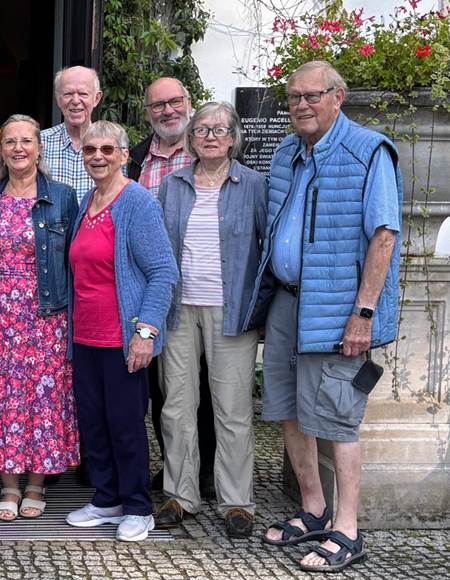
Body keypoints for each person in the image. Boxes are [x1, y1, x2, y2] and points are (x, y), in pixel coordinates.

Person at [250, 61, 401, 573]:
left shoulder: (368, 151)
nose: (301, 105)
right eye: (293, 97)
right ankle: (313, 509)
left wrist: (363, 313)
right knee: (289, 408)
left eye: (313, 95)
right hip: (288, 302)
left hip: (338, 309)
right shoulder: (288, 151)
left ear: (339, 97)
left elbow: (384, 235)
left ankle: (348, 528)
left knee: (338, 416)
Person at [154, 102, 266, 538]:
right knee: (177, 406)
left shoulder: (255, 186)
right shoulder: (172, 186)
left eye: (220, 129)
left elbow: (267, 252)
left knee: (233, 409)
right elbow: (159, 251)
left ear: (234, 137)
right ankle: (181, 495)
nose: (211, 136)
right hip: (179, 309)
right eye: (201, 129)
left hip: (232, 311)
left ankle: (236, 502)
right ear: (191, 138)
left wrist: (261, 308)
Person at [65, 120, 177, 542]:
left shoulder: (137, 202)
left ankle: (137, 506)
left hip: (123, 336)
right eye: (91, 149)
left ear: (124, 155)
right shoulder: (87, 201)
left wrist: (146, 332)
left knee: (126, 423)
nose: (98, 156)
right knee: (93, 422)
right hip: (86, 336)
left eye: (107, 150)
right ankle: (107, 498)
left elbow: (163, 272)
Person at [0, 114, 80, 522]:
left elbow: (74, 259)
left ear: (39, 147)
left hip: (46, 315)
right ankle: (9, 485)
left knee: (43, 398)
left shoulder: (63, 196)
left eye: (26, 141)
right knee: (2, 398)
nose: (18, 148)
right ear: (1, 149)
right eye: (10, 142)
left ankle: (36, 483)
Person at [128, 76, 216, 499]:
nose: (167, 111)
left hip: (196, 286)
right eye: (157, 105)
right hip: (144, 290)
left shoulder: (206, 153)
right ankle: (174, 471)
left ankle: (203, 477)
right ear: (147, 113)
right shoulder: (138, 159)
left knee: (196, 388)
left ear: (189, 102)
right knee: (159, 390)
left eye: (174, 102)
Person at [41, 66, 102, 202]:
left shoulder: (110, 147)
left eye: (83, 94)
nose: (75, 100)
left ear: (96, 99)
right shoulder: (39, 143)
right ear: (58, 99)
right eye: (68, 94)